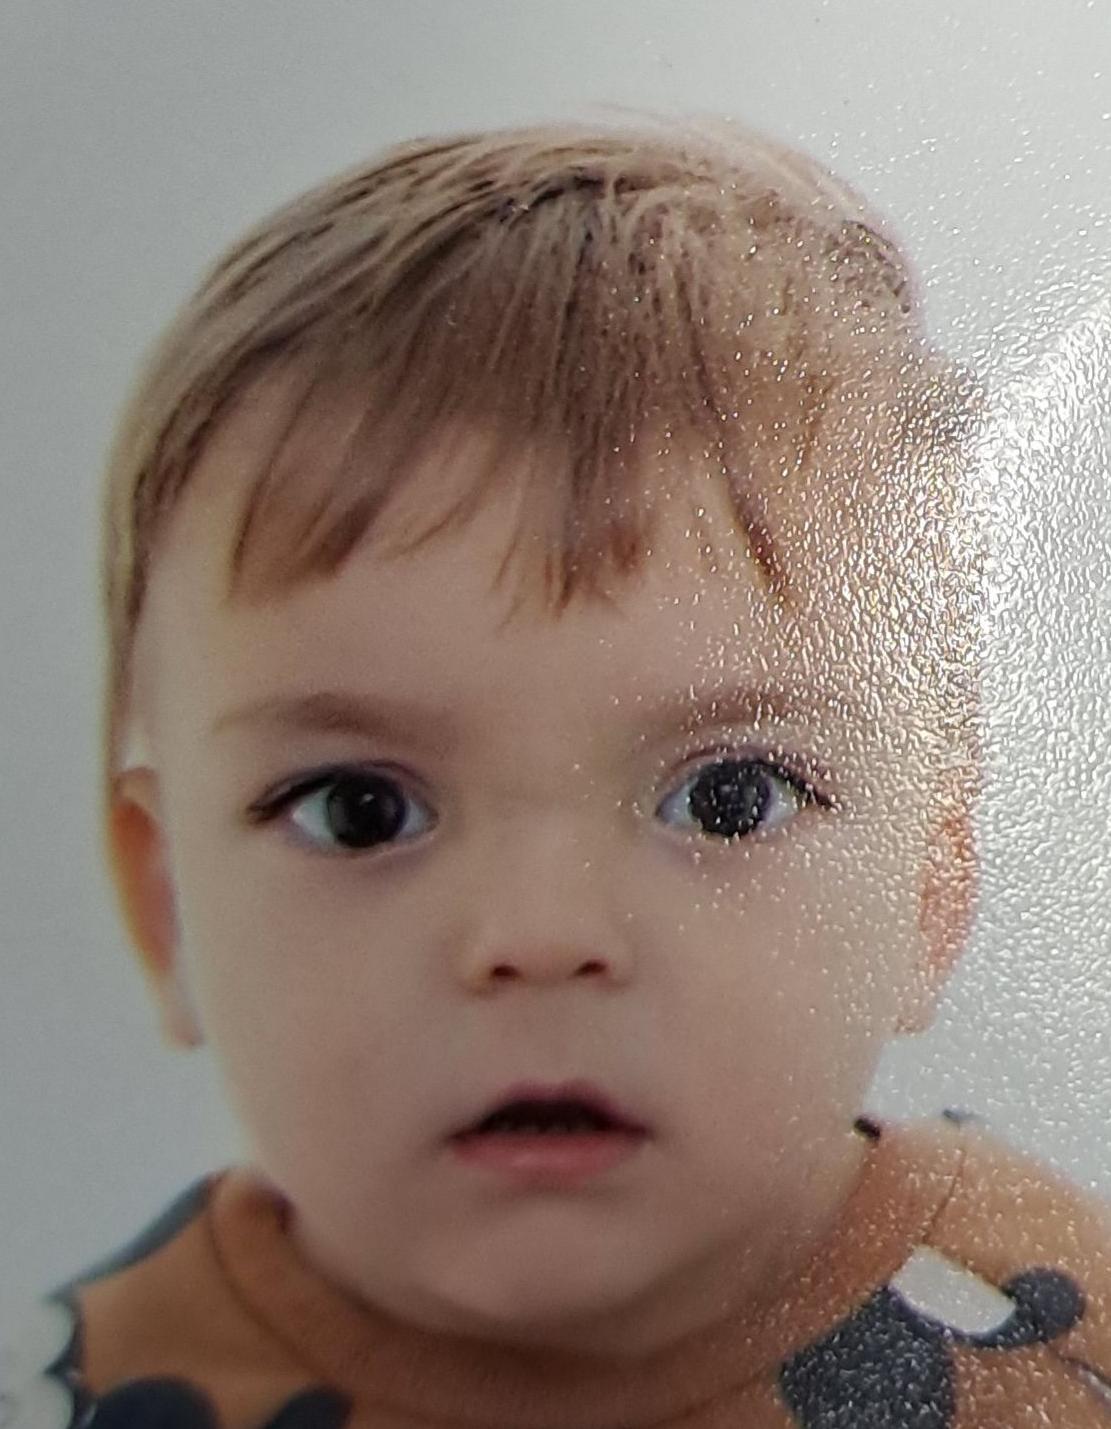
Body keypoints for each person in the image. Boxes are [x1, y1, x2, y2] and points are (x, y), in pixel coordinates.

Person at [5, 112, 1111, 1429]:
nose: (538, 936)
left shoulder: (1066, 1346)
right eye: (361, 812)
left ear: (934, 878)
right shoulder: (77, 1394)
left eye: (728, 800)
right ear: (166, 903)